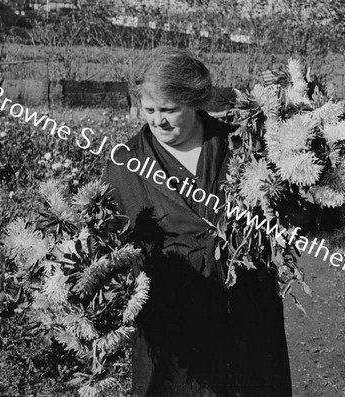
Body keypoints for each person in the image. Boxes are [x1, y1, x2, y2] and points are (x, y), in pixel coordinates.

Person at [101, 46, 292, 397]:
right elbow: (110, 247)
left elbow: (281, 215)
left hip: (247, 312)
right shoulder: (124, 164)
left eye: (170, 110)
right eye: (150, 110)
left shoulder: (240, 146)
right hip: (173, 325)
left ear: (195, 102)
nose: (158, 121)